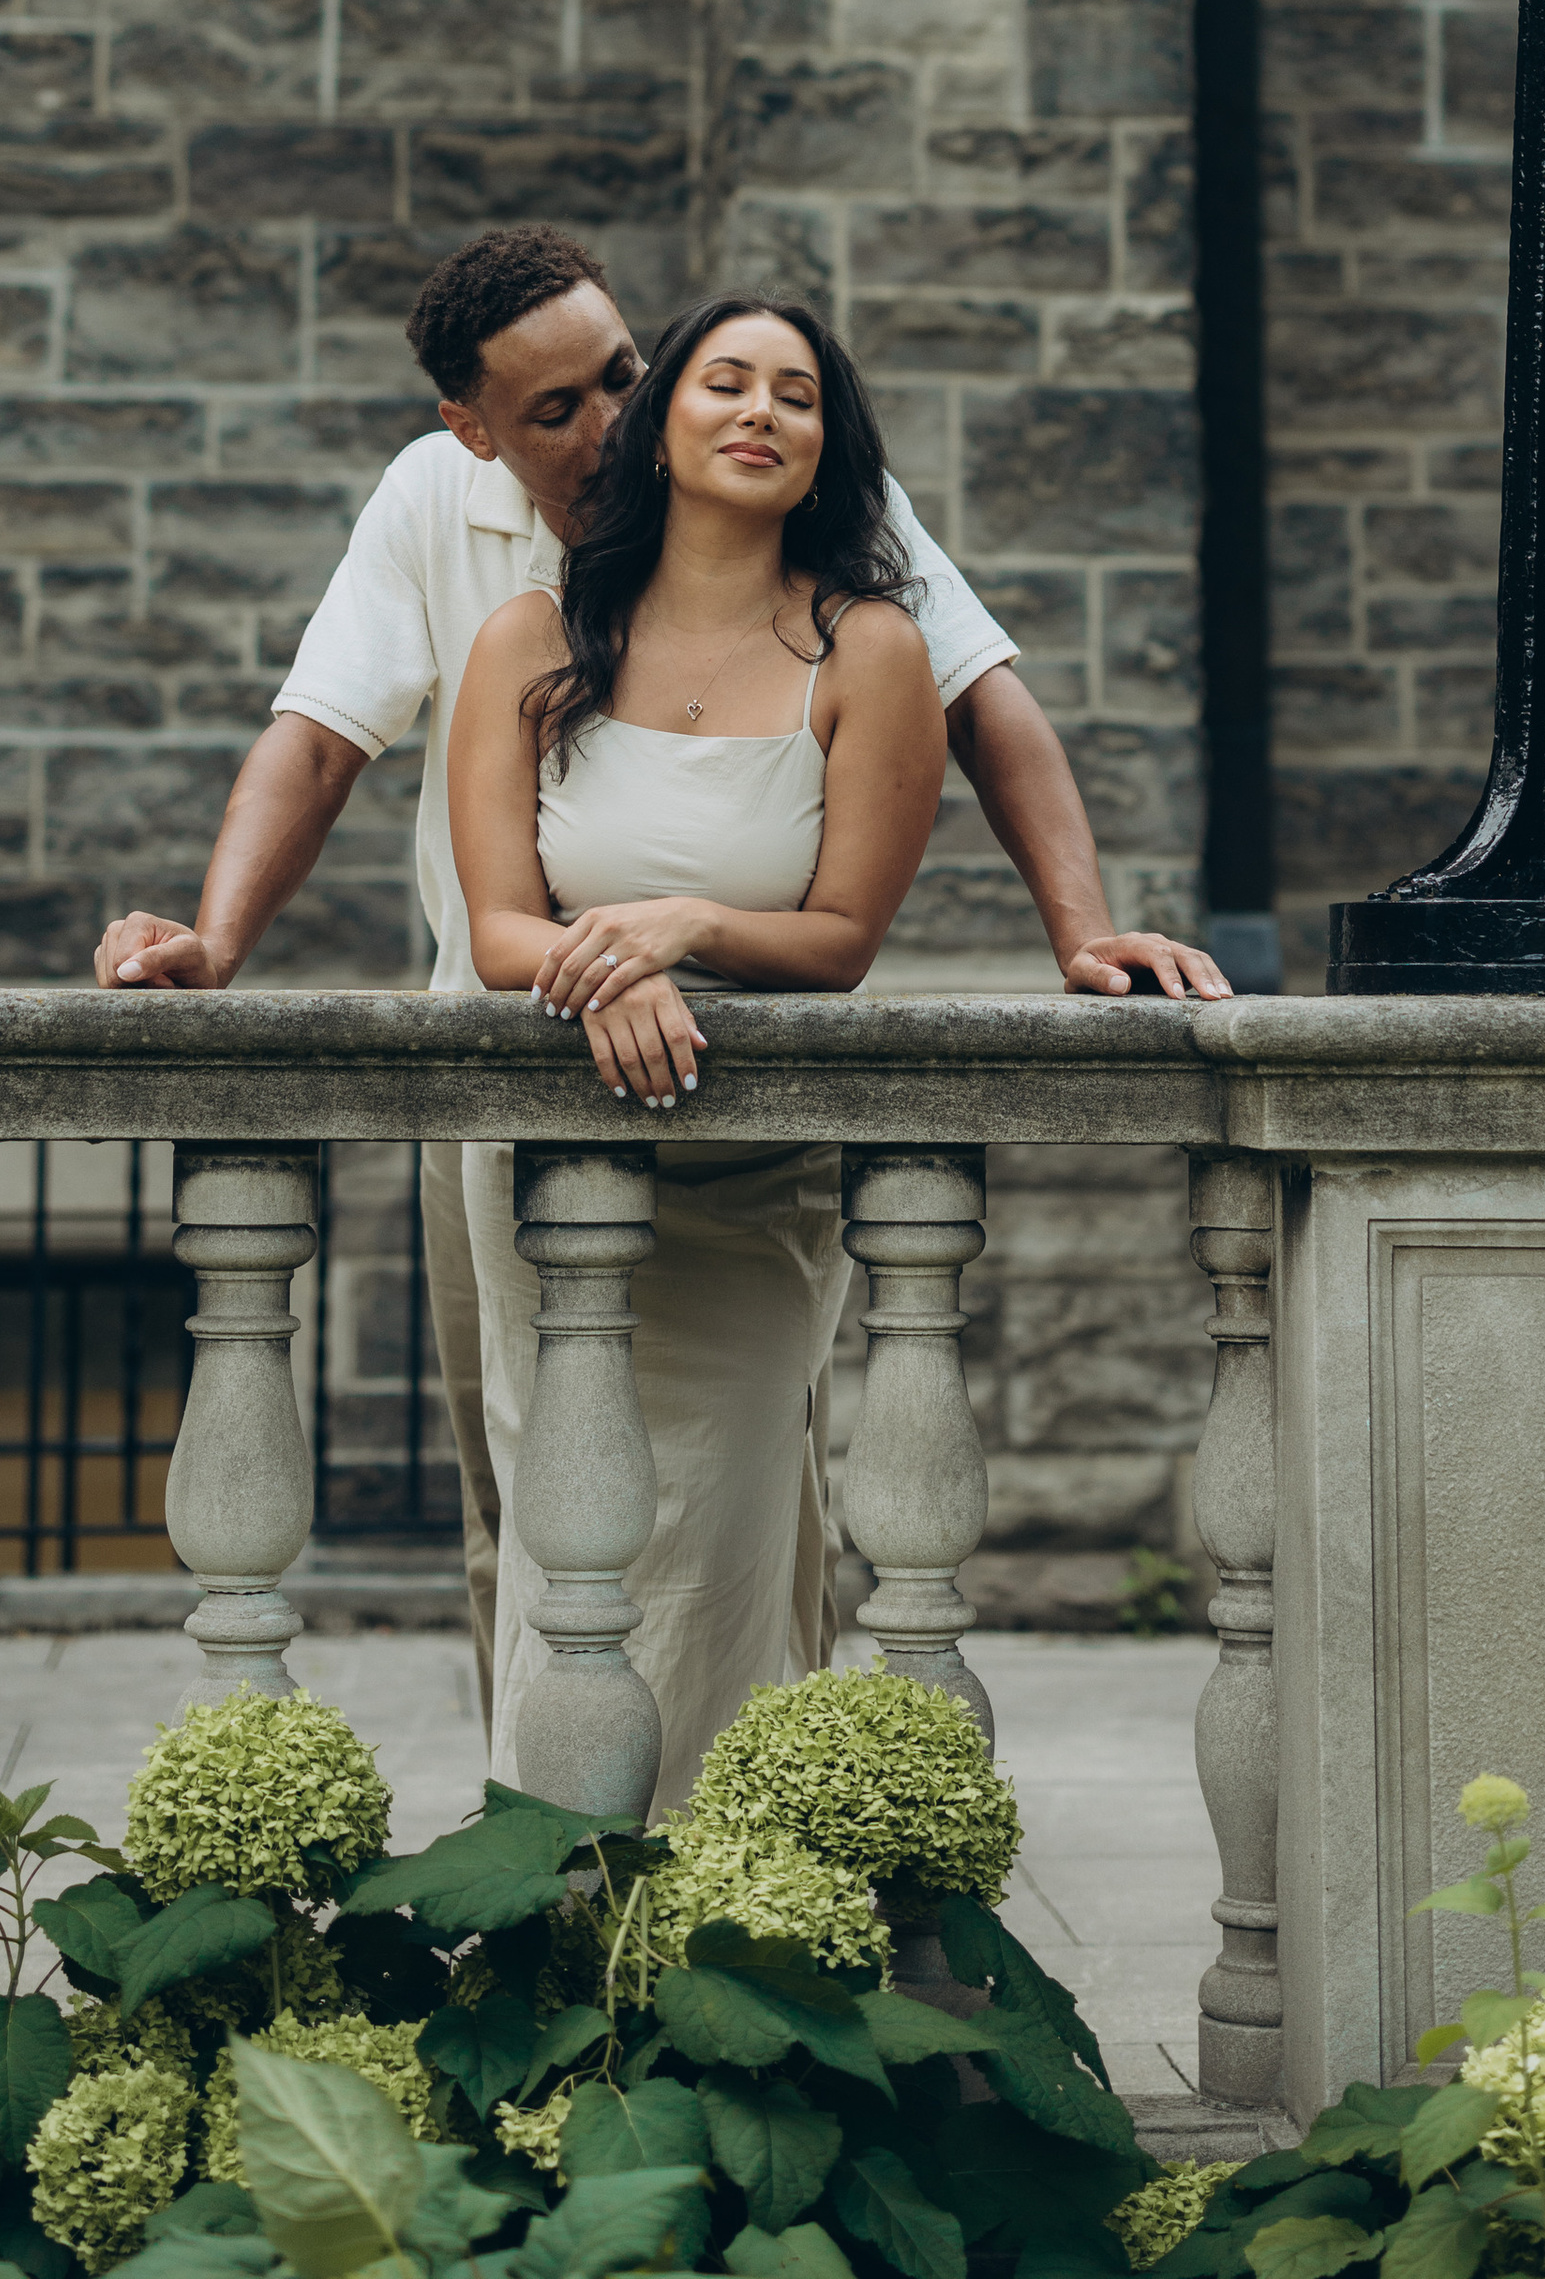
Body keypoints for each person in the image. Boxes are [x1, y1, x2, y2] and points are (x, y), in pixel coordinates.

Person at [92, 221, 1232, 1709]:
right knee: (520, 1495)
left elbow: (984, 701)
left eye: (627, 373)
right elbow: (317, 737)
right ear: (474, 428)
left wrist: (1082, 932)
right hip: (501, 1063)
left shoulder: (807, 508)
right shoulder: (449, 524)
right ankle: (559, 1849)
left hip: (747, 1107)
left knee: (758, 1507)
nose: (617, 420)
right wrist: (219, 941)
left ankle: (771, 1840)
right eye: (558, 408)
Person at [449, 289, 946, 1799]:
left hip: (751, 1177)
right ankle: (566, 1920)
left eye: (796, 396)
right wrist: (606, 976)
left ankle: (727, 1925)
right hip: (555, 1166)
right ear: (661, 423)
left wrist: (685, 928)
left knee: (719, 1531)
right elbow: (498, 930)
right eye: (724, 382)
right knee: (566, 1540)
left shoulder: (868, 652)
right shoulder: (532, 638)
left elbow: (841, 939)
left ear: (826, 447)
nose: (759, 413)